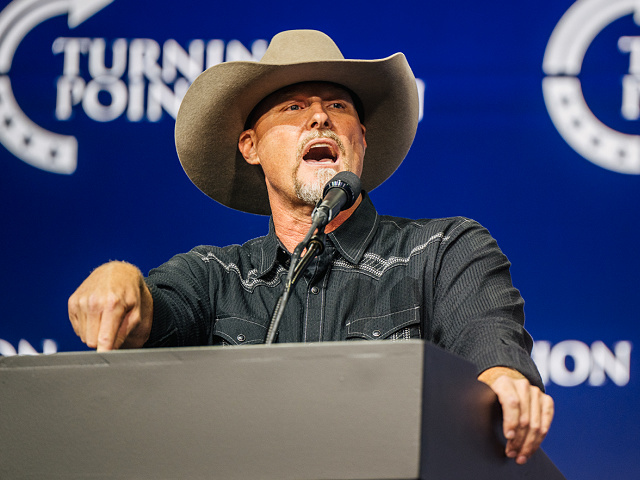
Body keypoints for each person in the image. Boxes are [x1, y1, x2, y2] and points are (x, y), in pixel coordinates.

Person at [68, 30, 554, 465]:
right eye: (293, 107)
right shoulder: (214, 276)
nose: (320, 117)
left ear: (360, 140)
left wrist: (506, 385)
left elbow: (491, 349)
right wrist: (119, 280)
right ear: (251, 146)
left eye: (338, 107)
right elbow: (148, 314)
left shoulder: (444, 249)